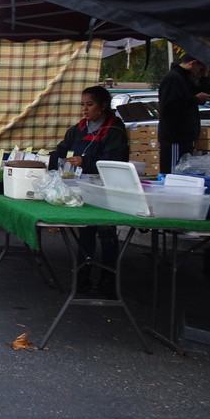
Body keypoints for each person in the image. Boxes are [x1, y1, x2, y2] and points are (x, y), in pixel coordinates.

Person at [48, 85, 131, 294]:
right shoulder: (79, 128)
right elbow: (61, 150)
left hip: (107, 189)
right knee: (86, 231)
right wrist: (46, 159)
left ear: (103, 106)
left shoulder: (115, 130)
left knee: (107, 233)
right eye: (83, 105)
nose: (85, 109)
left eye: (90, 105)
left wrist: (85, 161)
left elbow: (116, 161)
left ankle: (109, 281)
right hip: (82, 188)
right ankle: (82, 278)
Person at [158, 54, 210, 174]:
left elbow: (201, 93)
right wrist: (195, 99)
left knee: (182, 173)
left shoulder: (185, 79)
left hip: (185, 137)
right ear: (192, 63)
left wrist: (205, 77)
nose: (199, 72)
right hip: (175, 137)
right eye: (200, 69)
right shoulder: (173, 78)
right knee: (173, 173)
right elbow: (169, 106)